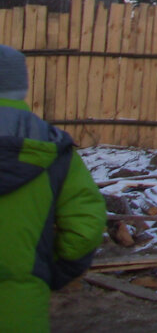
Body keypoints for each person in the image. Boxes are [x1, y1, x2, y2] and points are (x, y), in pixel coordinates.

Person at [0, 44, 106, 333]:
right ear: (21, 87)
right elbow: (86, 225)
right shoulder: (54, 150)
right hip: (21, 305)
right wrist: (54, 270)